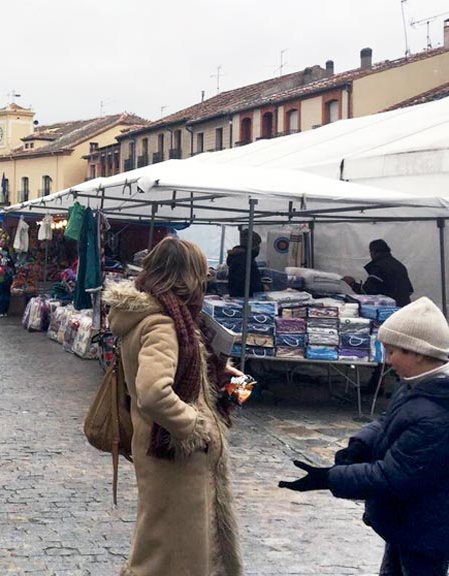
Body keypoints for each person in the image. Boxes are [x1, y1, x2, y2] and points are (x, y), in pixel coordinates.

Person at [279, 297, 449, 575]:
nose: (388, 360)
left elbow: (392, 477)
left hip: (426, 531)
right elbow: (388, 421)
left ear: (418, 353)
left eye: (392, 351)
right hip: (405, 522)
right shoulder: (417, 384)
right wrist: (361, 443)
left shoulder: (437, 413)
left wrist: (328, 478)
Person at [104, 237, 241, 576]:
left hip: (161, 450)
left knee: (161, 543)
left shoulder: (152, 316)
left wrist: (215, 374)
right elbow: (152, 393)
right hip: (173, 453)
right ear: (186, 276)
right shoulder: (163, 323)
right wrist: (194, 426)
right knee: (174, 555)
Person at [342, 239, 414, 307]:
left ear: (373, 252)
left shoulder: (378, 267)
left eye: (370, 252)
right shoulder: (399, 265)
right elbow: (410, 290)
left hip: (388, 309)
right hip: (404, 307)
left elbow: (367, 291)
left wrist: (352, 283)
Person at [226, 229, 264, 297]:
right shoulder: (245, 258)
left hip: (236, 296)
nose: (259, 247)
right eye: (258, 244)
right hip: (245, 298)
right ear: (253, 244)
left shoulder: (238, 256)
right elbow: (244, 282)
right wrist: (261, 287)